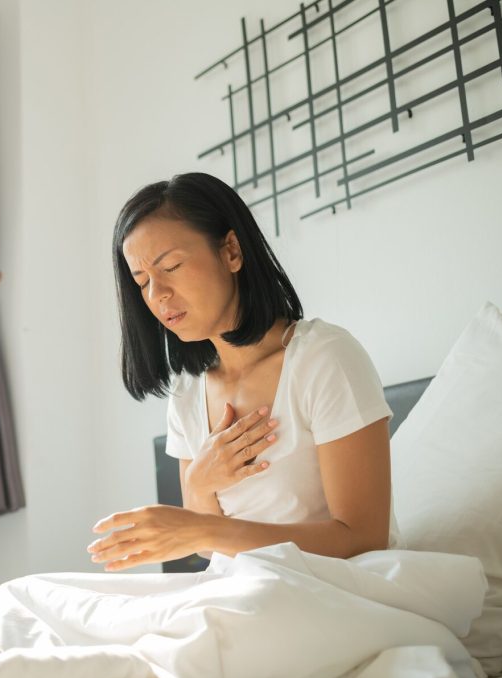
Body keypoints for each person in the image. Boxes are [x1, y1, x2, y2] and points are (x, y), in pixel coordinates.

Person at [87, 172, 399, 571]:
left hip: (336, 591)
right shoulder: (187, 393)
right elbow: (206, 550)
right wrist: (199, 484)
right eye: (142, 281)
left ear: (231, 251)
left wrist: (203, 530)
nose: (157, 294)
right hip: (243, 591)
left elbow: (363, 539)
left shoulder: (324, 358)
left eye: (172, 266)